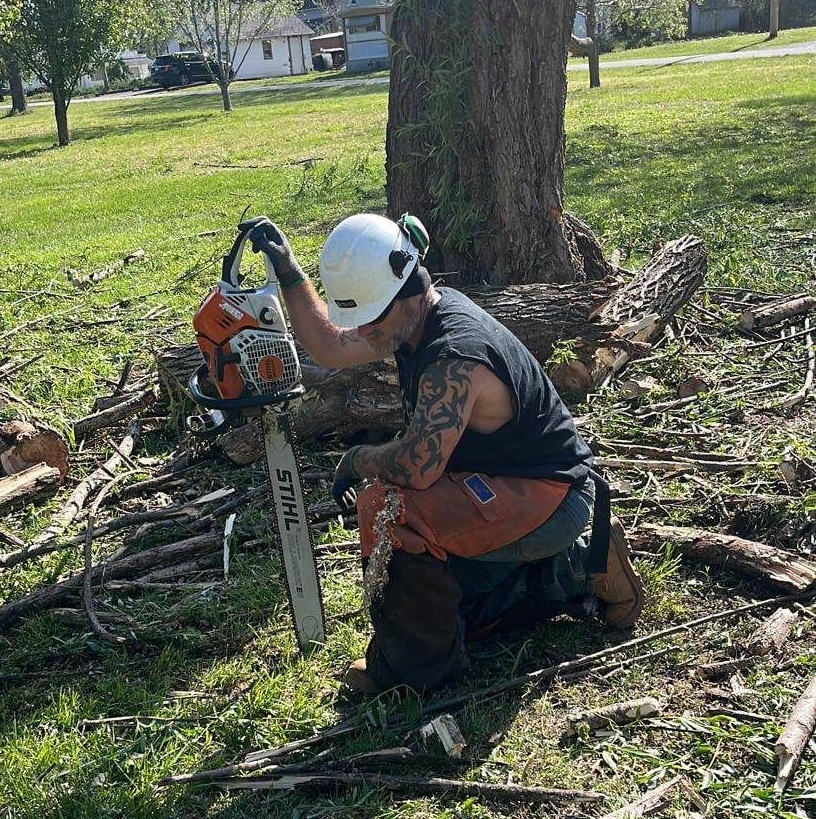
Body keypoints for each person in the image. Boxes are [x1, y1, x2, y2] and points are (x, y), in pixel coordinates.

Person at [241, 211, 644, 696]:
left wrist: (357, 460)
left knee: (390, 507)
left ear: (405, 290)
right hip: (504, 487)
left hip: (549, 496)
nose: (364, 333)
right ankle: (584, 567)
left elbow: (416, 466)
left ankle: (414, 670)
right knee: (446, 605)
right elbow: (329, 345)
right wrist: (289, 272)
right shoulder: (410, 318)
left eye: (370, 320)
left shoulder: (455, 356)